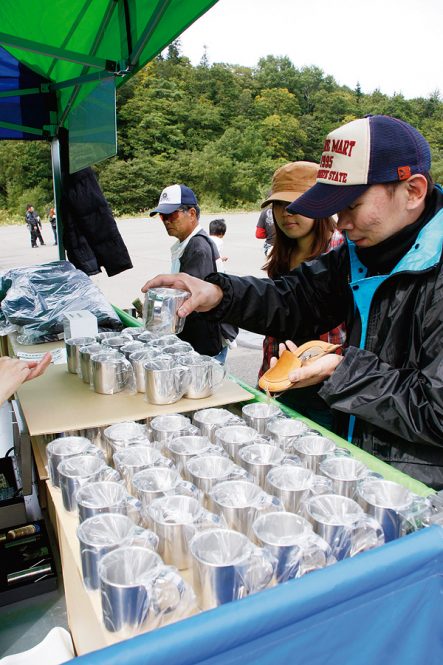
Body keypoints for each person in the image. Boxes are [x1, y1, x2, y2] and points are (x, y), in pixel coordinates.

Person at [142, 115, 443, 490]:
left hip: (422, 497)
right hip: (361, 464)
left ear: (413, 191)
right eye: (336, 207)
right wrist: (217, 293)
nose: (342, 223)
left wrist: (343, 369)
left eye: (353, 204)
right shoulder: (360, 251)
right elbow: (294, 299)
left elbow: (437, 411)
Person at [258, 161, 345, 428]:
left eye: (298, 204)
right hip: (282, 379)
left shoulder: (340, 249)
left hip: (325, 387)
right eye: (280, 205)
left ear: (320, 204)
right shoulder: (280, 252)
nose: (288, 213)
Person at [149, 184, 225, 360]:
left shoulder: (197, 247)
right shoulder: (188, 243)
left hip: (202, 345)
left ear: (191, 213)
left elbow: (191, 301)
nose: (167, 221)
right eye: (163, 216)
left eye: (172, 214)